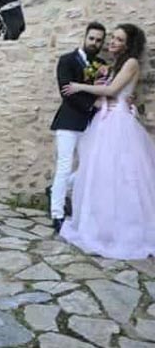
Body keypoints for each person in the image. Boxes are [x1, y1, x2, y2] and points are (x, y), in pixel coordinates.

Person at [60, 23, 155, 260]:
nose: (112, 42)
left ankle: (126, 230)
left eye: (118, 39)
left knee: (122, 176)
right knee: (100, 174)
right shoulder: (115, 64)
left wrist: (79, 86)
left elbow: (113, 90)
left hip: (119, 122)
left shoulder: (131, 62)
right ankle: (103, 226)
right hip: (107, 120)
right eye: (111, 38)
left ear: (128, 44)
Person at [49, 22, 106, 233]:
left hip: (91, 123)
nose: (95, 43)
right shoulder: (67, 60)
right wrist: (92, 104)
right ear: (85, 37)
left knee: (89, 166)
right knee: (64, 166)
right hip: (68, 121)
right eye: (92, 38)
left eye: (99, 40)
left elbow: (103, 89)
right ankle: (57, 214)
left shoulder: (101, 64)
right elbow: (66, 91)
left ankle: (55, 189)